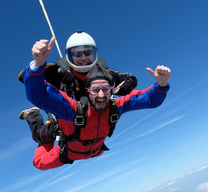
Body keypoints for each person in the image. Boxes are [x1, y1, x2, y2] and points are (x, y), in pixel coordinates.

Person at [22, 37, 171, 170]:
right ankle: (33, 115)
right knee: (39, 157)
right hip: (68, 151)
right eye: (95, 89)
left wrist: (162, 84)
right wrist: (38, 64)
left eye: (105, 89)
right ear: (88, 90)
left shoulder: (116, 106)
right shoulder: (72, 110)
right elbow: (38, 95)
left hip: (93, 151)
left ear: (111, 90)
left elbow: (150, 100)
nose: (101, 95)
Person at [19, 30, 138, 144]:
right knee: (42, 136)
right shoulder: (58, 71)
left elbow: (130, 78)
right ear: (68, 56)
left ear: (95, 53)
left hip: (90, 117)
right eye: (77, 53)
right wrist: (38, 63)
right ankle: (32, 114)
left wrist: (125, 87)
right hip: (64, 115)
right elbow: (23, 78)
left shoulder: (104, 73)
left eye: (88, 52)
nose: (83, 58)